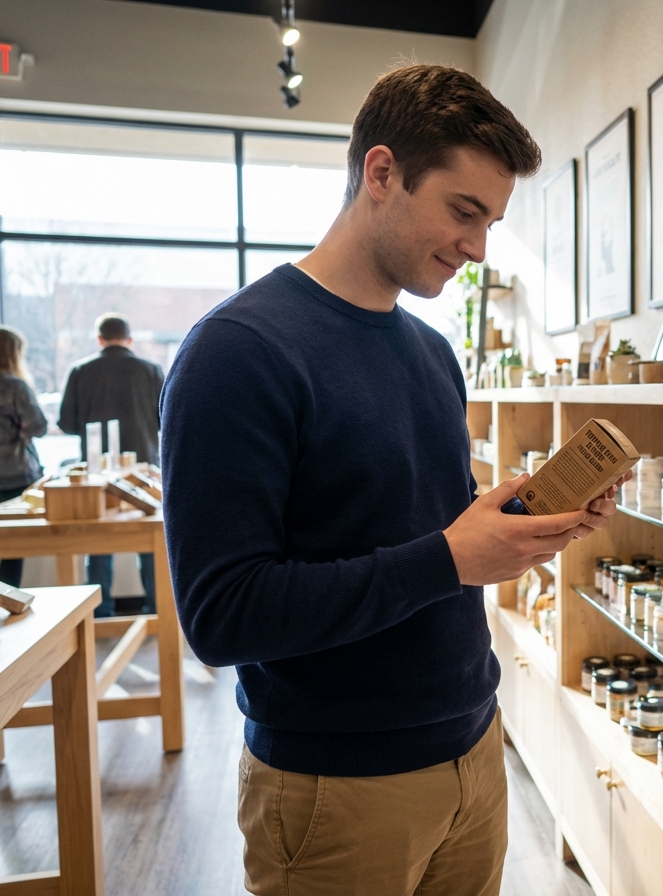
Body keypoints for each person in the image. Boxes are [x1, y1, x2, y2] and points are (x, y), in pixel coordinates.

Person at [160, 64, 624, 896]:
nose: (478, 247)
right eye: (464, 211)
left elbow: (420, 531)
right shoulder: (237, 353)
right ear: (381, 174)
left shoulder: (432, 352)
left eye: (492, 221)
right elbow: (222, 618)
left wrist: (519, 523)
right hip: (335, 791)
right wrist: (450, 557)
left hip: (475, 755)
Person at [58, 312, 164, 616]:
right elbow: (165, 419)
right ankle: (157, 610)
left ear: (99, 339)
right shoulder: (150, 370)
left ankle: (101, 613)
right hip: (144, 468)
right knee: (150, 542)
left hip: (97, 471)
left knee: (99, 543)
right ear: (129, 339)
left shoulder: (80, 370)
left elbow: (66, 422)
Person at [0, 326, 46, 587]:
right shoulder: (14, 387)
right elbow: (37, 425)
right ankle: (8, 607)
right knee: (12, 550)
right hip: (14, 476)